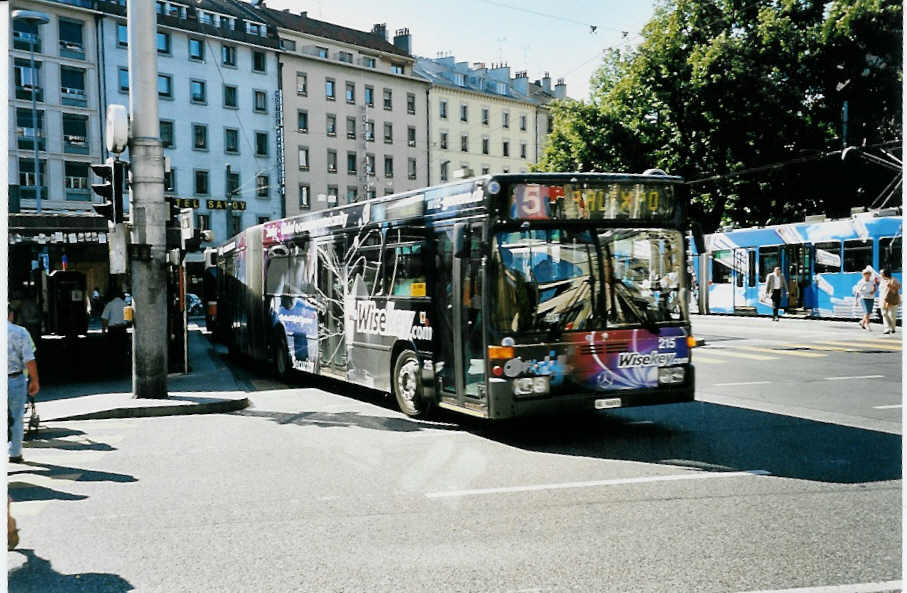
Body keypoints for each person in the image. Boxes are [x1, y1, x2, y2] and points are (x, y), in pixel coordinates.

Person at [8, 304, 40, 464]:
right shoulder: (20, 332)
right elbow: (29, 359)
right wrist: (35, 380)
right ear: (11, 315)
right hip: (15, 380)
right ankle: (14, 453)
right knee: (17, 416)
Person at [101, 290, 129, 370]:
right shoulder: (126, 304)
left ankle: (114, 366)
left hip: (113, 330)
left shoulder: (110, 304)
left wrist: (103, 331)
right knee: (122, 349)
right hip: (122, 330)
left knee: (113, 350)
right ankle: (122, 366)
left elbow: (104, 319)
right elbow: (129, 319)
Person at [852, 266, 879, 331]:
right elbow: (857, 292)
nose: (867, 276)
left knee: (869, 312)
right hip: (864, 298)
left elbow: (875, 288)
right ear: (863, 275)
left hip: (871, 298)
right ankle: (867, 325)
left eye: (869, 275)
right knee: (867, 312)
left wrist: (873, 291)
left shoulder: (872, 281)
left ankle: (862, 322)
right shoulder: (861, 282)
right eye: (866, 274)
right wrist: (856, 301)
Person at [878, 268, 901, 335]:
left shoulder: (893, 280)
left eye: (881, 273)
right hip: (883, 300)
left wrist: (891, 287)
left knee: (891, 315)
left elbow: (898, 288)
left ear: (885, 274)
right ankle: (887, 328)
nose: (880, 274)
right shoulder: (882, 281)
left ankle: (892, 328)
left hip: (892, 300)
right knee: (884, 314)